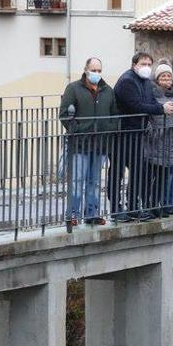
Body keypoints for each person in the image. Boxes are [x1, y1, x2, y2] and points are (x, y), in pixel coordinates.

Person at [114, 51, 173, 220]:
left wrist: (163, 106)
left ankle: (134, 207)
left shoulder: (145, 82)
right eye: (143, 64)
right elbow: (136, 105)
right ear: (135, 65)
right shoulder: (127, 81)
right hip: (124, 133)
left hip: (138, 132)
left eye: (149, 64)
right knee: (118, 172)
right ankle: (116, 209)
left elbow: (150, 102)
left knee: (137, 172)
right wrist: (160, 109)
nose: (147, 67)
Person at [59, 57, 117, 227]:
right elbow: (65, 114)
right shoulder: (73, 89)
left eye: (99, 70)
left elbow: (115, 114)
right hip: (80, 144)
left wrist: (109, 129)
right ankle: (73, 215)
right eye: (93, 70)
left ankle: (92, 213)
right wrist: (77, 129)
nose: (96, 73)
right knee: (77, 180)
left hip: (100, 144)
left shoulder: (108, 91)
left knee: (95, 181)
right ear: (86, 70)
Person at [140, 62, 173, 219]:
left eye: (169, 76)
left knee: (164, 177)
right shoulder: (151, 93)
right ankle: (148, 206)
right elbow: (151, 115)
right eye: (163, 76)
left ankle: (160, 205)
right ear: (157, 78)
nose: (167, 79)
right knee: (151, 175)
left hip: (172, 140)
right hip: (155, 140)